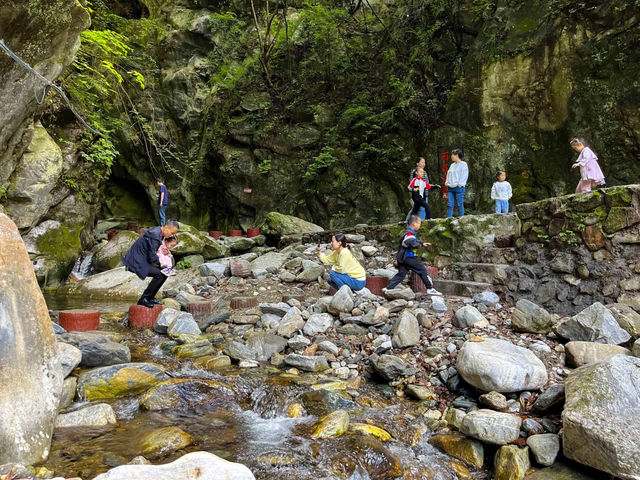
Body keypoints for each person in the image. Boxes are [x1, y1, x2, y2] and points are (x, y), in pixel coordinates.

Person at [123, 220, 180, 307]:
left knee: (164, 274)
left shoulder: (159, 233)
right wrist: (162, 266)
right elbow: (152, 255)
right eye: (172, 233)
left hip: (143, 259)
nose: (171, 236)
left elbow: (155, 251)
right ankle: (144, 299)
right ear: (167, 228)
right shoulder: (155, 235)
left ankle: (150, 297)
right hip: (136, 261)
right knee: (160, 274)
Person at [384, 215, 442, 295]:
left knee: (401, 274)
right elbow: (410, 242)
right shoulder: (409, 234)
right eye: (419, 223)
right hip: (408, 257)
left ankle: (388, 288)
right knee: (422, 270)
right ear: (414, 224)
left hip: (402, 258)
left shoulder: (407, 232)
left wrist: (422, 243)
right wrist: (419, 245)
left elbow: (412, 240)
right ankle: (429, 288)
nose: (420, 225)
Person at [445, 148, 468, 217]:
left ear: (457, 155)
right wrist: (447, 182)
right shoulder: (452, 165)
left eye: (453, 155)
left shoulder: (463, 164)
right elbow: (448, 174)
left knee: (459, 204)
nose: (451, 156)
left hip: (458, 187)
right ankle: (448, 218)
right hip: (450, 187)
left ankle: (461, 218)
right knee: (450, 204)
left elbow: (464, 175)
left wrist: (460, 184)